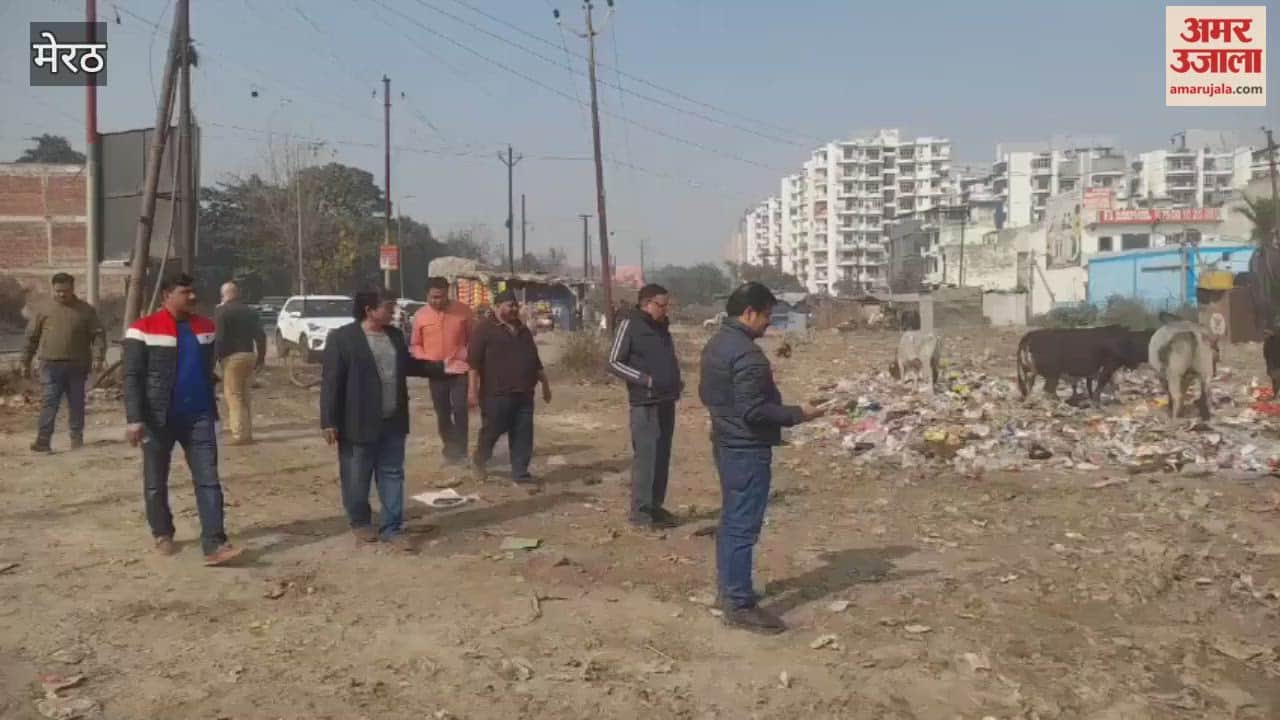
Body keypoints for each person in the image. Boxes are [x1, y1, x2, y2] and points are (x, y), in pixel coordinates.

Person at [698, 282, 825, 634]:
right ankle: (738, 603)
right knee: (742, 525)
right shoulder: (747, 355)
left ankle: (728, 590)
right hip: (746, 448)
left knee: (731, 520)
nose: (769, 323)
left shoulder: (716, 345)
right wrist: (801, 413)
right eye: (767, 315)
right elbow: (756, 411)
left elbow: (707, 394)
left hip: (725, 441)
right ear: (749, 313)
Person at [123, 273, 243, 565]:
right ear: (166, 295)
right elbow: (132, 377)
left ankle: (214, 543)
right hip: (157, 417)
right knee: (155, 481)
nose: (192, 297)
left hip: (199, 416)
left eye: (193, 291)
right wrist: (135, 418)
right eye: (184, 292)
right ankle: (162, 532)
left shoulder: (206, 327)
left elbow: (205, 368)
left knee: (208, 480)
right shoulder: (143, 330)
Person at [321, 287, 445, 552]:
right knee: (356, 476)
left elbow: (408, 365)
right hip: (357, 421)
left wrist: (441, 367)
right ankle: (360, 521)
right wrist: (328, 421)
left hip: (393, 420)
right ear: (369, 310)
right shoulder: (343, 339)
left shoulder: (395, 336)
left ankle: (393, 527)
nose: (394, 311)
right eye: (388, 307)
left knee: (392, 474)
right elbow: (331, 383)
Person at [608, 283, 683, 529]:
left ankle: (655, 507)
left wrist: (675, 381)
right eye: (661, 305)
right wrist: (645, 380)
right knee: (646, 458)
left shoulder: (663, 327)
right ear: (646, 303)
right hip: (645, 403)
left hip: (666, 400)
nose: (665, 310)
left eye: (667, 305)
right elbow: (613, 362)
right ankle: (640, 513)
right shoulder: (630, 324)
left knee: (662, 456)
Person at [468, 289, 551, 489]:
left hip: (524, 392)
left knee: (523, 432)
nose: (514, 309)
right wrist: (472, 391)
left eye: (515, 305)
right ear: (497, 307)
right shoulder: (484, 329)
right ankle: (480, 458)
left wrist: (545, 384)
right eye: (509, 305)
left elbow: (535, 360)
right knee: (492, 430)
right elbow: (473, 364)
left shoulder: (523, 330)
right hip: (496, 393)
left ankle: (520, 473)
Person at [23, 273, 106, 453]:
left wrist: (98, 357)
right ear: (53, 289)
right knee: (49, 402)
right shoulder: (43, 309)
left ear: (72, 289)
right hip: (50, 365)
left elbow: (98, 335)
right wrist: (25, 361)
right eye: (58, 291)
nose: (62, 295)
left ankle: (77, 440)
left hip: (77, 365)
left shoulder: (85, 311)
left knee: (76, 403)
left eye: (66, 291)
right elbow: (31, 337)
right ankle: (43, 441)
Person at [409, 277, 473, 465]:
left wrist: (464, 355)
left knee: (460, 410)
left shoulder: (464, 311)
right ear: (426, 296)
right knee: (442, 412)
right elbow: (415, 344)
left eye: (442, 296)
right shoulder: (420, 316)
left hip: (459, 369)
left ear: (448, 293)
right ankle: (450, 449)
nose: (438, 301)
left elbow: (473, 339)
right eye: (434, 297)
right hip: (435, 372)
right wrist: (426, 360)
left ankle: (461, 452)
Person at [213, 281, 267, 445]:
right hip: (249, 355)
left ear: (224, 295)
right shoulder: (249, 311)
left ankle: (239, 435)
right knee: (244, 395)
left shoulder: (221, 312)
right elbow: (261, 336)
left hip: (232, 359)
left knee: (234, 396)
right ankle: (247, 432)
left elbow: (219, 339)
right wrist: (261, 358)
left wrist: (212, 361)